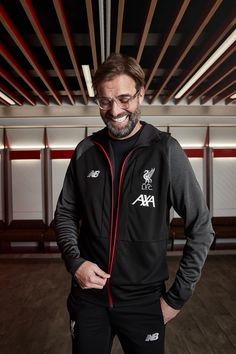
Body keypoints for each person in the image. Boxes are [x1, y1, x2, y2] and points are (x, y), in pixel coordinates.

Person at [54, 53, 214, 354]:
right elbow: (64, 213)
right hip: (88, 301)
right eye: (104, 101)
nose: (114, 111)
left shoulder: (165, 151)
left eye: (124, 98)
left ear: (141, 94)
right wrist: (75, 262)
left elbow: (201, 228)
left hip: (145, 303)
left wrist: (176, 298)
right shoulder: (86, 151)